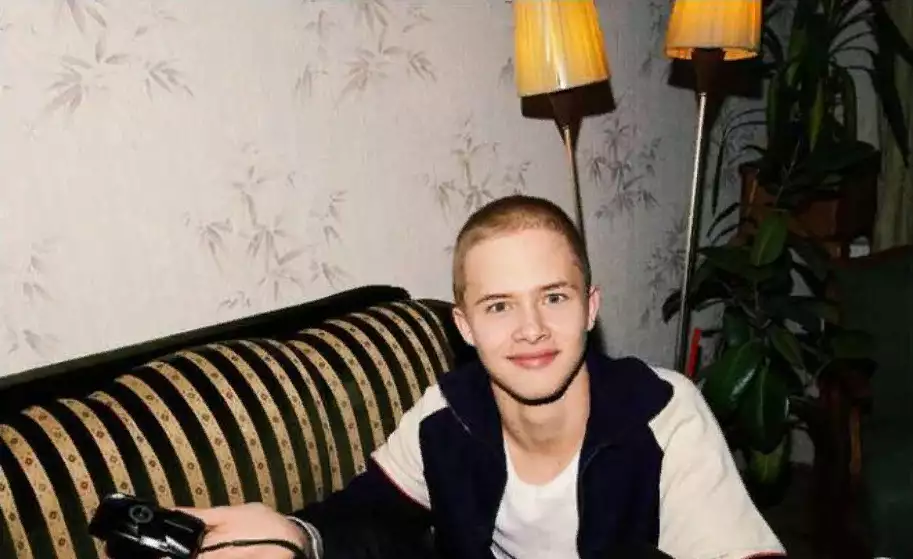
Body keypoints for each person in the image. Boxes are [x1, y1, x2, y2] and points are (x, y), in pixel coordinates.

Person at [180, 194, 786, 559]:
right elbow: (372, 513)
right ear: (465, 325)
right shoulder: (448, 414)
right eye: (499, 306)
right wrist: (295, 535)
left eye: (554, 297)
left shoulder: (661, 412)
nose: (531, 329)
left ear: (591, 308)